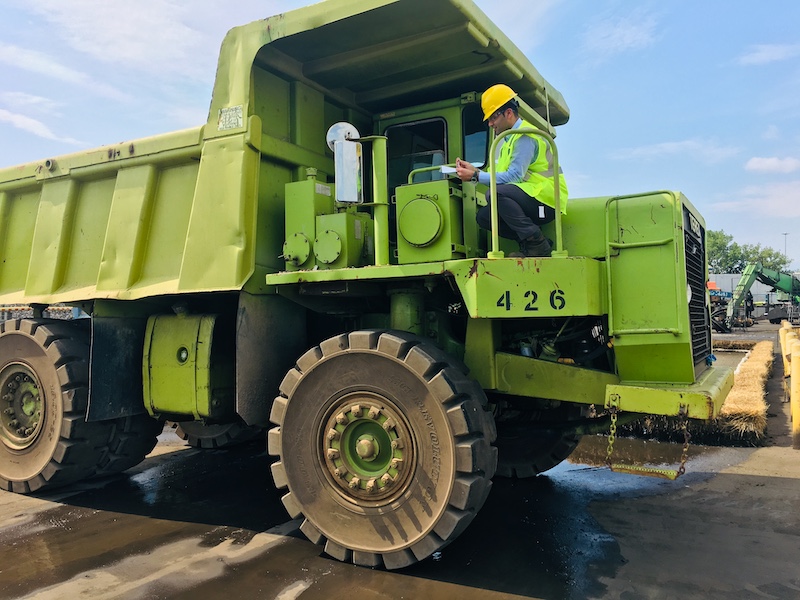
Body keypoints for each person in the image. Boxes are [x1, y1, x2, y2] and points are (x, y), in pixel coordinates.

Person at [455, 84, 568, 257]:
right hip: (532, 197)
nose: (490, 123)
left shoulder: (524, 136)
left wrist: (475, 176)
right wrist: (474, 170)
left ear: (508, 113)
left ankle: (537, 243)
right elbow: (500, 176)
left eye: (493, 117)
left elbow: (514, 176)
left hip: (546, 200)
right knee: (484, 217)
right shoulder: (508, 141)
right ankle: (531, 243)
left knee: (494, 194)